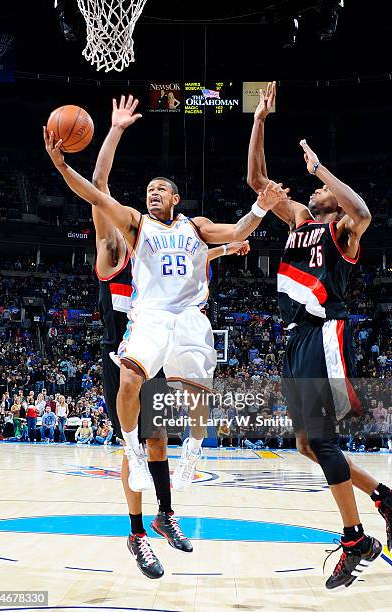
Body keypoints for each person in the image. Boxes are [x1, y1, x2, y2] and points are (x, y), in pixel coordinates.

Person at [90, 95, 252, 578]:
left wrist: (222, 251)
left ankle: (165, 514)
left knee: (159, 441)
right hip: (125, 351)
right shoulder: (114, 242)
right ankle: (136, 534)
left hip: (159, 343)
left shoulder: (163, 249)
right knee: (134, 447)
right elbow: (98, 187)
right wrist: (115, 129)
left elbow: (183, 262)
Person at [247, 81, 392, 589]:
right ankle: (383, 498)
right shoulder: (298, 219)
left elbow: (364, 212)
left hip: (322, 332)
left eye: (320, 191)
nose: (311, 193)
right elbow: (257, 179)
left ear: (332, 194)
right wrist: (260, 119)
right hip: (294, 338)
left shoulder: (341, 231)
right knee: (308, 444)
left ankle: (355, 539)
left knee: (323, 440)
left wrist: (322, 171)